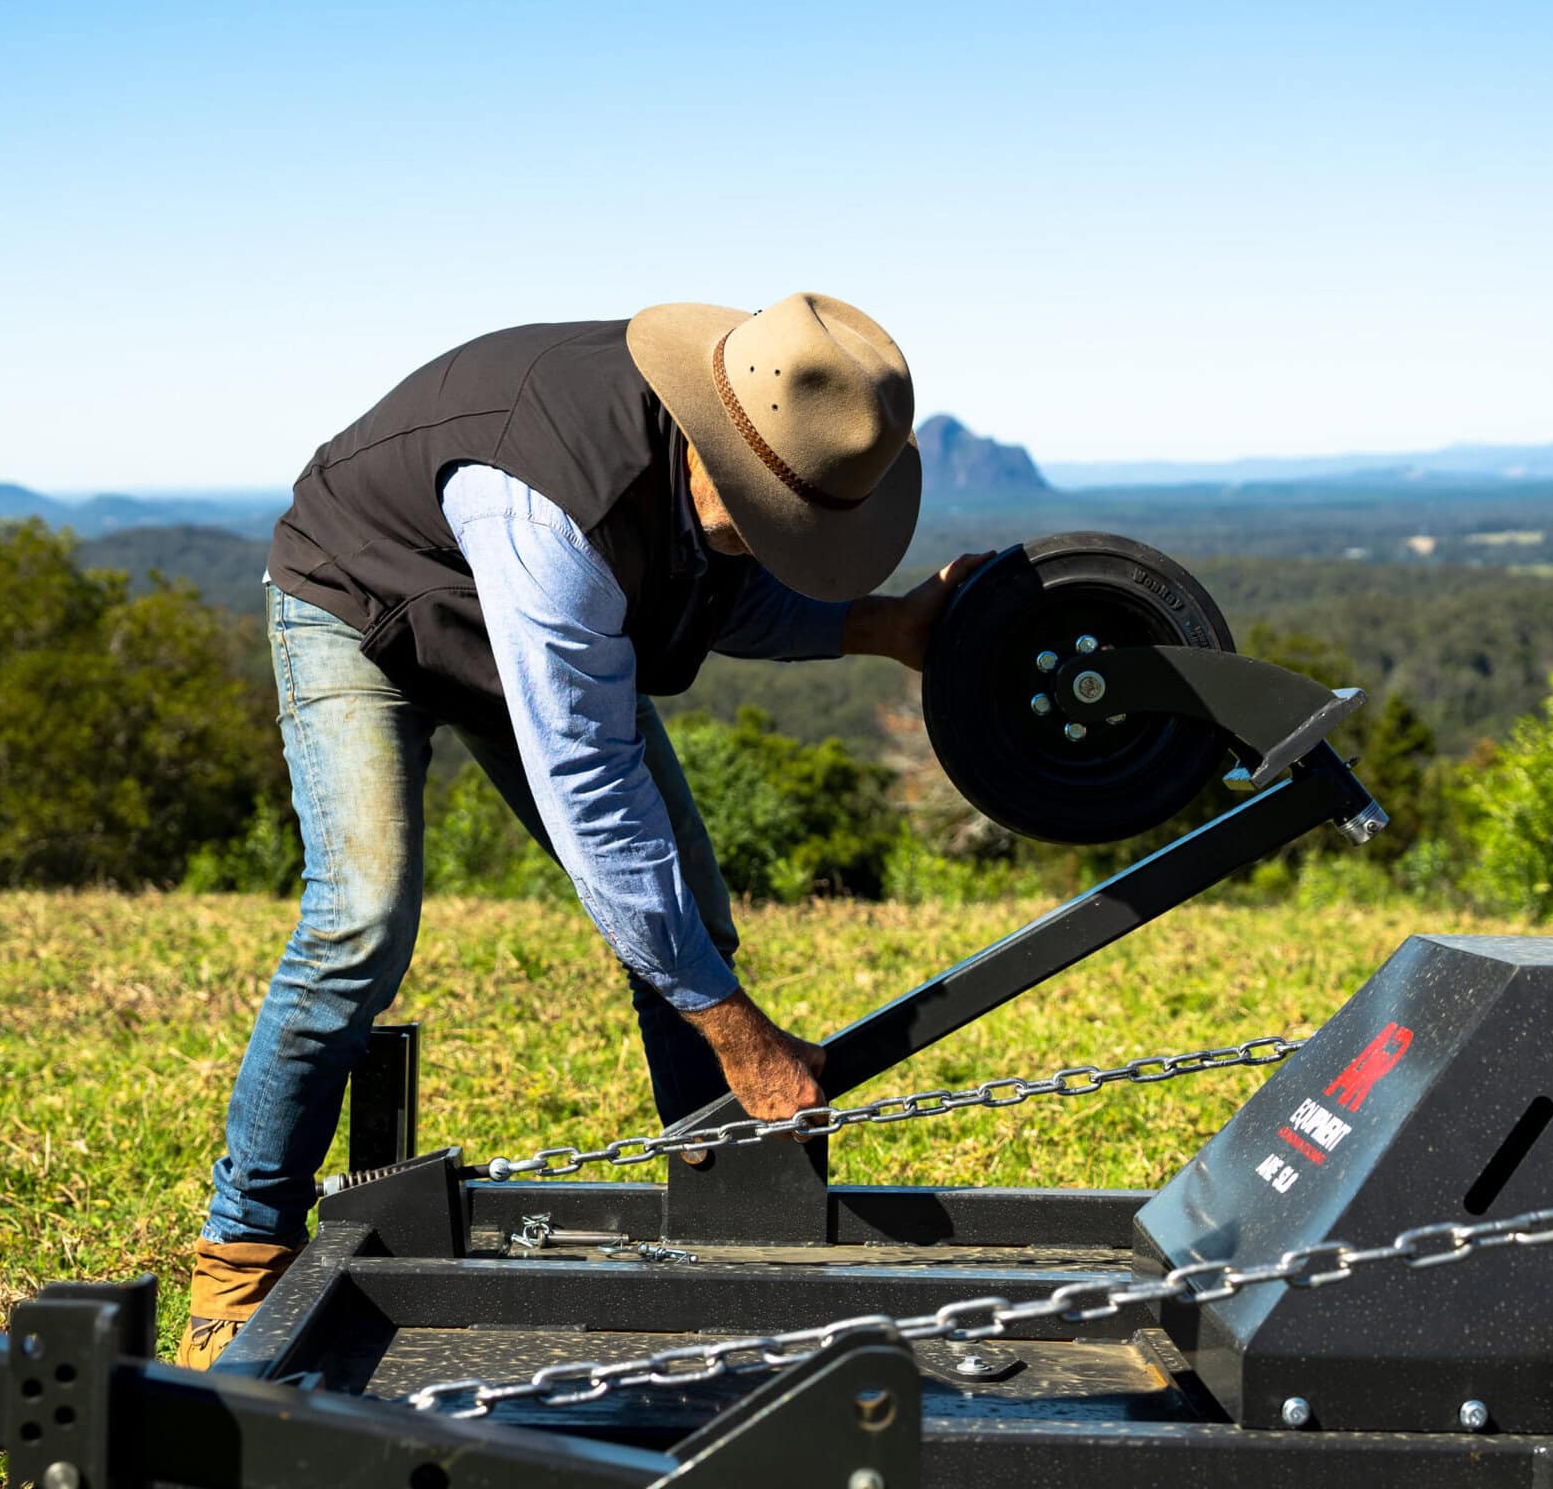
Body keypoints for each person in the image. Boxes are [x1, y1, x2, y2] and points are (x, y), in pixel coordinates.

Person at [180, 292, 986, 1367]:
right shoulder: (555, 504)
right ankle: (240, 1256)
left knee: (687, 903)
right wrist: (739, 1031)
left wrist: (883, 624)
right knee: (359, 921)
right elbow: (596, 800)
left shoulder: (723, 436)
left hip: (522, 613)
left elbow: (711, 590)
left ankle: (730, 1226)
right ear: (720, 466)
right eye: (788, 523)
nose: (798, 545)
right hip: (360, 602)